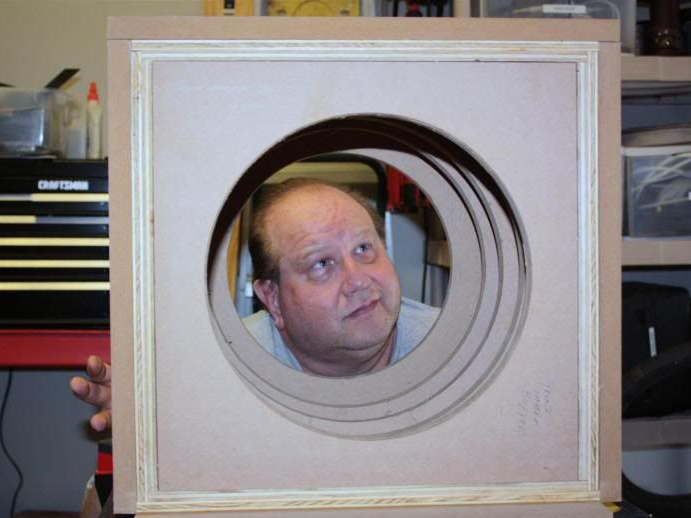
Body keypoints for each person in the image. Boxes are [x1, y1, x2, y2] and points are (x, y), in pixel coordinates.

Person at [71, 178, 439, 430]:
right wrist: (146, 426)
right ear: (272, 299)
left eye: (363, 248)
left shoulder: (452, 350)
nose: (358, 281)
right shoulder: (215, 371)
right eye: (321, 264)